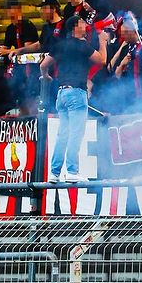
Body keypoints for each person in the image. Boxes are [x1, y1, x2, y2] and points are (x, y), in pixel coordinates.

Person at [41, 14, 108, 181]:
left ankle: (54, 173)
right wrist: (103, 42)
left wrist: (46, 76)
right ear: (75, 27)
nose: (86, 25)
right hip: (77, 92)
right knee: (76, 133)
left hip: (61, 93)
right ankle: (72, 171)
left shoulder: (60, 45)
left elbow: (43, 65)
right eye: (83, 22)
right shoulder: (82, 45)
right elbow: (102, 60)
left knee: (63, 134)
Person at [0, 0, 40, 116]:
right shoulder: (10, 28)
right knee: (20, 98)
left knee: (29, 98)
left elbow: (28, 48)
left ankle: (34, 120)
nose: (9, 12)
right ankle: (24, 120)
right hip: (18, 71)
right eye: (7, 9)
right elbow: (6, 47)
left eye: (11, 8)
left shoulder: (27, 26)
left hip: (29, 69)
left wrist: (7, 51)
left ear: (18, 10)